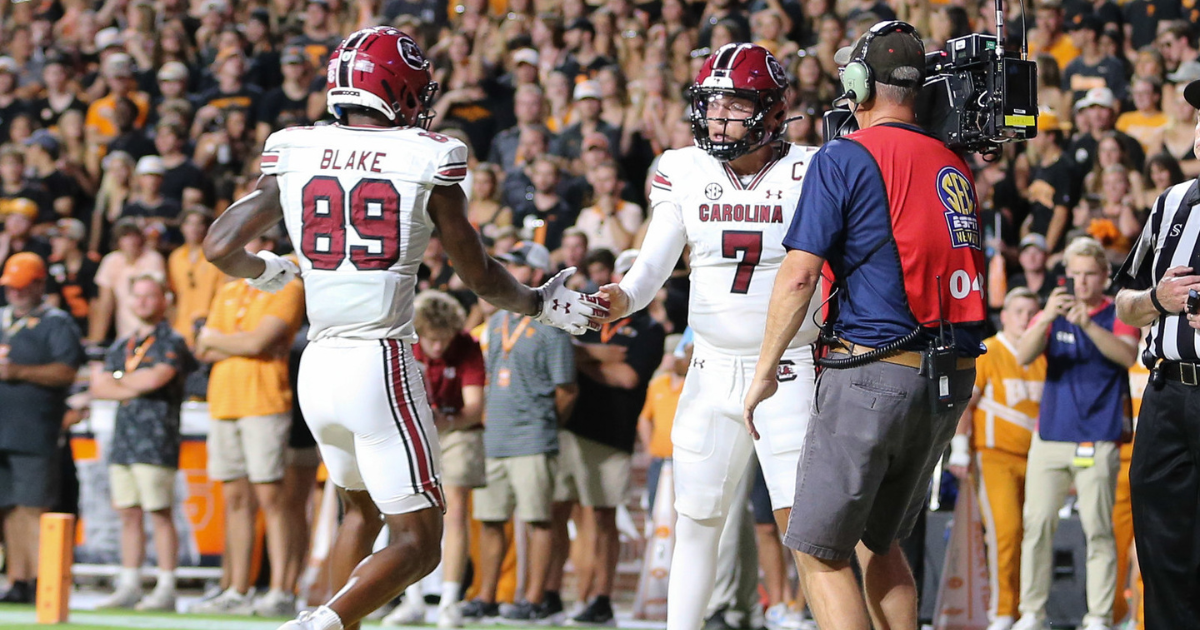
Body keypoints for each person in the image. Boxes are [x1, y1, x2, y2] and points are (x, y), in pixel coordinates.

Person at [201, 26, 605, 630]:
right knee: (421, 541)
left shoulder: (295, 146)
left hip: (318, 363)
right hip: (378, 359)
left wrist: (267, 271)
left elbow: (219, 246)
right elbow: (481, 276)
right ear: (400, 88)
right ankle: (322, 623)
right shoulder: (427, 154)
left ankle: (332, 620)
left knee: (357, 514)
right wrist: (539, 304)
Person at [742, 22, 985, 630]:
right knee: (881, 541)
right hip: (946, 376)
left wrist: (765, 371)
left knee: (816, 548)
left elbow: (799, 276)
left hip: (876, 370)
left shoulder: (846, 154)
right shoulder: (952, 160)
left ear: (856, 81)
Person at [591, 42, 821, 630]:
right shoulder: (683, 168)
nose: (717, 119)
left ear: (772, 111)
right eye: (711, 106)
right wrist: (621, 296)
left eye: (733, 106)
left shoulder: (813, 168)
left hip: (790, 369)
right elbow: (652, 263)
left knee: (808, 528)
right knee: (696, 519)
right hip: (710, 365)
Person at [1112, 77, 1200, 630]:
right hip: (1167, 392)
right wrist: (1155, 299)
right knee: (1162, 547)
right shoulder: (1171, 204)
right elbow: (1123, 302)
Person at [1013, 237, 1137, 630]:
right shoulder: (1054, 308)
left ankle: (1098, 616)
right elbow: (1023, 354)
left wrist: (1087, 325)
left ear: (1104, 276)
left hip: (1099, 435)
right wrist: (1048, 317)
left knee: (1099, 530)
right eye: (1075, 274)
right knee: (1036, 526)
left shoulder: (1115, 311)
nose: (1081, 282)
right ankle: (1032, 612)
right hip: (1051, 434)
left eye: (1089, 274)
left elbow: (1126, 355)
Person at [461, 242, 578, 624]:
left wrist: (545, 424)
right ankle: (488, 595)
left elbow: (566, 389)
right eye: (507, 263)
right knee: (492, 520)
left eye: (517, 265)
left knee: (538, 519)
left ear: (537, 274)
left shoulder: (552, 325)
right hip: (495, 437)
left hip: (532, 438)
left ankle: (533, 597)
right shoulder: (496, 323)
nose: (509, 269)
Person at [193, 229, 305, 618]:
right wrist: (232, 341)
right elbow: (200, 347)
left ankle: (280, 590)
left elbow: (259, 342)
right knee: (235, 501)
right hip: (224, 402)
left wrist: (222, 340)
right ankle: (237, 589)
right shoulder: (227, 290)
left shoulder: (286, 284)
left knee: (272, 499)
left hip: (264, 401)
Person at [90, 274, 193, 612]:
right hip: (124, 439)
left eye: (151, 296)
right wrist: (130, 382)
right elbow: (99, 386)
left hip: (156, 438)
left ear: (164, 300)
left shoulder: (171, 340)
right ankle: (130, 583)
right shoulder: (123, 344)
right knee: (128, 514)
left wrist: (119, 381)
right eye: (138, 297)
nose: (144, 302)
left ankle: (166, 586)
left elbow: (156, 378)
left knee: (159, 512)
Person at [384, 290, 486, 629]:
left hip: (457, 429)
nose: (438, 347)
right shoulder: (403, 344)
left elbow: (474, 407)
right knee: (408, 512)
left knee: (455, 510)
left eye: (444, 339)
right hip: (411, 430)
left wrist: (449, 421)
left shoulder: (467, 345)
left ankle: (449, 602)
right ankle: (411, 598)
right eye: (432, 340)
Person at [947, 287, 1047, 630]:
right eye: (1017, 310)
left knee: (1035, 535)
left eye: (1031, 312)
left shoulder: (1044, 354)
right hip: (995, 457)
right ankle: (1003, 611)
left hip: (1039, 460)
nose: (1024, 318)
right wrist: (960, 447)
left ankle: (1029, 610)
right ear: (1003, 315)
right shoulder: (990, 350)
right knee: (1006, 532)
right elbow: (966, 404)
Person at [0, 253, 84, 603]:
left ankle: (42, 580)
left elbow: (67, 371)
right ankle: (18, 579)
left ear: (39, 284)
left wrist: (17, 372)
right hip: (3, 429)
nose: (15, 294)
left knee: (33, 506)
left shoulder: (56, 323)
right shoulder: (3, 319)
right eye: (10, 287)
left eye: (22, 287)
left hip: (35, 429)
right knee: (8, 506)